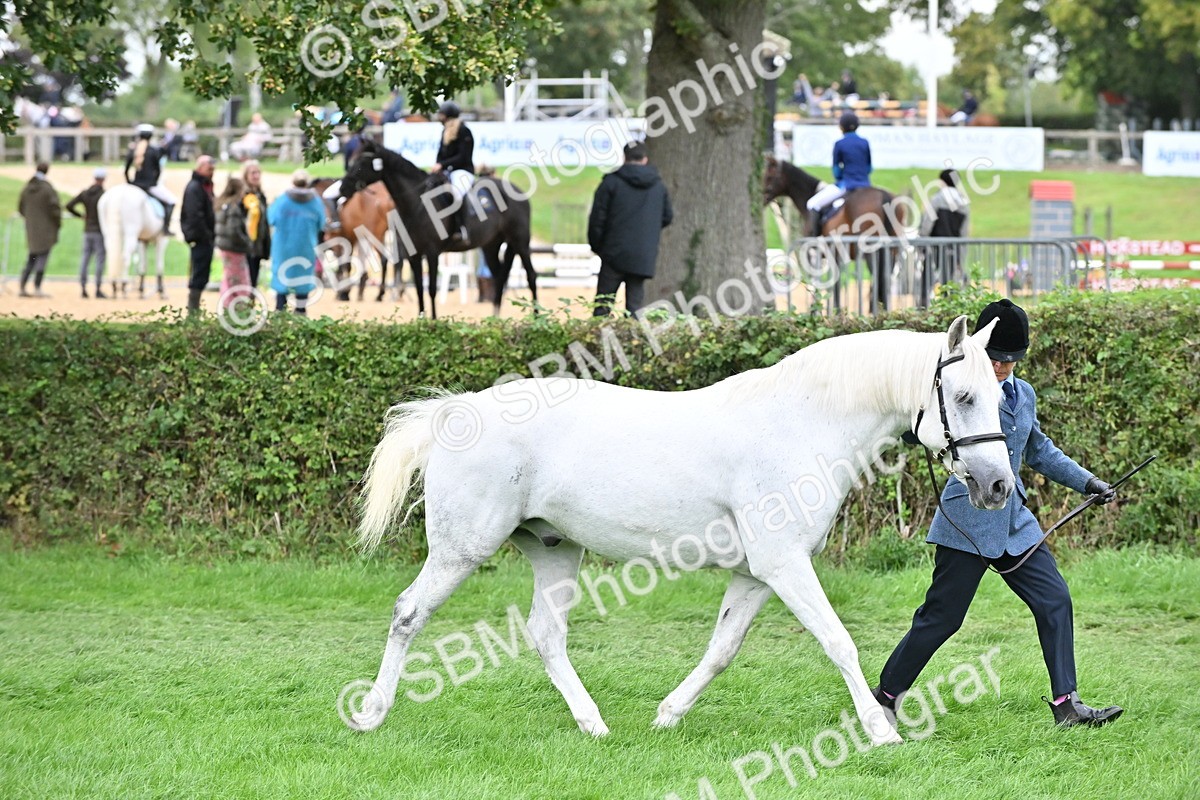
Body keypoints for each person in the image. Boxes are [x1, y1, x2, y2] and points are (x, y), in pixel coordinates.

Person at [874, 299, 1124, 729]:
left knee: (1055, 600)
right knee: (942, 618)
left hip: (1013, 521)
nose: (1004, 368)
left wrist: (1088, 482)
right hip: (967, 522)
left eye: (1012, 360)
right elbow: (927, 429)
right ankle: (885, 697)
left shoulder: (1023, 394)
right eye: (996, 359)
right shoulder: (960, 387)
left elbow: (1039, 451)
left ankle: (1067, 705)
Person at [586, 141, 673, 317]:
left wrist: (599, 247)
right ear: (645, 159)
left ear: (624, 158)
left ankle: (598, 342)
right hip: (642, 255)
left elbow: (597, 220)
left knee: (603, 306)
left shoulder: (610, 183)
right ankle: (633, 342)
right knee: (635, 309)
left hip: (613, 254)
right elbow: (667, 217)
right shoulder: (659, 187)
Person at [268, 169, 326, 315]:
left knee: (282, 275)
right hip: (305, 246)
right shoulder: (315, 202)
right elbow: (322, 223)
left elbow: (271, 218)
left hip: (283, 247)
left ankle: (280, 309)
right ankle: (300, 309)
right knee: (303, 276)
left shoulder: (282, 200)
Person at [805, 111, 871, 236]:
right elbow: (868, 168)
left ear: (842, 127)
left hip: (846, 185)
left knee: (812, 204)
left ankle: (814, 239)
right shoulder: (864, 142)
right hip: (865, 185)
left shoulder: (840, 144)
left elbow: (836, 170)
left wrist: (841, 176)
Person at [917, 168, 971, 306]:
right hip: (953, 248)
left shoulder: (937, 198)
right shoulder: (964, 203)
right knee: (949, 281)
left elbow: (927, 223)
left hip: (934, 246)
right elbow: (964, 232)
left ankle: (923, 306)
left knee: (927, 279)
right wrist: (961, 255)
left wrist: (922, 239)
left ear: (942, 181)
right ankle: (949, 308)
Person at [430, 100, 475, 244]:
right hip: (447, 171)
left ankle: (461, 228)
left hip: (463, 171)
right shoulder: (445, 132)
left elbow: (463, 156)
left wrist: (442, 164)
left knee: (456, 193)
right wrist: (437, 166)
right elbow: (440, 154)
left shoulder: (463, 131)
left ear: (448, 116)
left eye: (442, 115)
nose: (439, 118)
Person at [17, 161, 61, 298]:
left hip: (31, 228)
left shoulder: (27, 188)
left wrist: (30, 219)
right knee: (42, 258)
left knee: (31, 257)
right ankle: (37, 287)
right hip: (46, 229)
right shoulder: (47, 189)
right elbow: (55, 209)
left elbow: (21, 207)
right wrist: (57, 223)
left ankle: (22, 286)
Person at [124, 123, 178, 235]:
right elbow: (158, 170)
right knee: (171, 201)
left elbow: (126, 170)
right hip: (149, 185)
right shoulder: (154, 151)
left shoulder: (133, 150)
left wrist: (130, 182)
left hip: (135, 184)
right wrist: (154, 181)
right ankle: (165, 228)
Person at [66, 167, 108, 298]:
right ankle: (98, 287)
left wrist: (80, 215)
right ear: (104, 179)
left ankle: (83, 287)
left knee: (85, 259)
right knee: (99, 260)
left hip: (87, 230)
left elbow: (69, 205)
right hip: (99, 231)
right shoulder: (104, 195)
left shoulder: (85, 193)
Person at [182, 155, 217, 315]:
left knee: (201, 275)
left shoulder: (204, 186)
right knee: (198, 275)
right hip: (200, 237)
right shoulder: (195, 187)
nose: (212, 172)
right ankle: (192, 313)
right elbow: (194, 215)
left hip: (204, 237)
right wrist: (206, 234)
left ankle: (194, 311)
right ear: (200, 167)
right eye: (209, 169)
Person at [214, 176, 252, 312]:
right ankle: (238, 310)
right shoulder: (234, 207)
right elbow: (233, 230)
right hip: (235, 249)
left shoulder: (221, 204)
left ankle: (226, 307)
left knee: (228, 279)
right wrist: (247, 243)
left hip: (225, 249)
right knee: (241, 281)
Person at [240, 161, 271, 291]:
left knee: (253, 281)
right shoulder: (242, 195)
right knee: (245, 281)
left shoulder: (260, 195)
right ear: (246, 176)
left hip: (258, 245)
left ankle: (250, 308)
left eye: (258, 172)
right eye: (253, 173)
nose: (256, 176)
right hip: (246, 246)